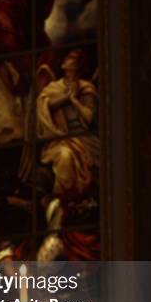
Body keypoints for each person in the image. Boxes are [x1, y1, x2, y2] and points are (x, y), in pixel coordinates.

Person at [37, 50, 100, 198]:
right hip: (60, 139)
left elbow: (89, 118)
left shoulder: (86, 88)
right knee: (65, 156)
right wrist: (66, 97)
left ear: (79, 64)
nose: (66, 59)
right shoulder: (54, 87)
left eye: (71, 57)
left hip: (85, 139)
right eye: (67, 56)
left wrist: (74, 100)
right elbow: (45, 105)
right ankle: (62, 199)